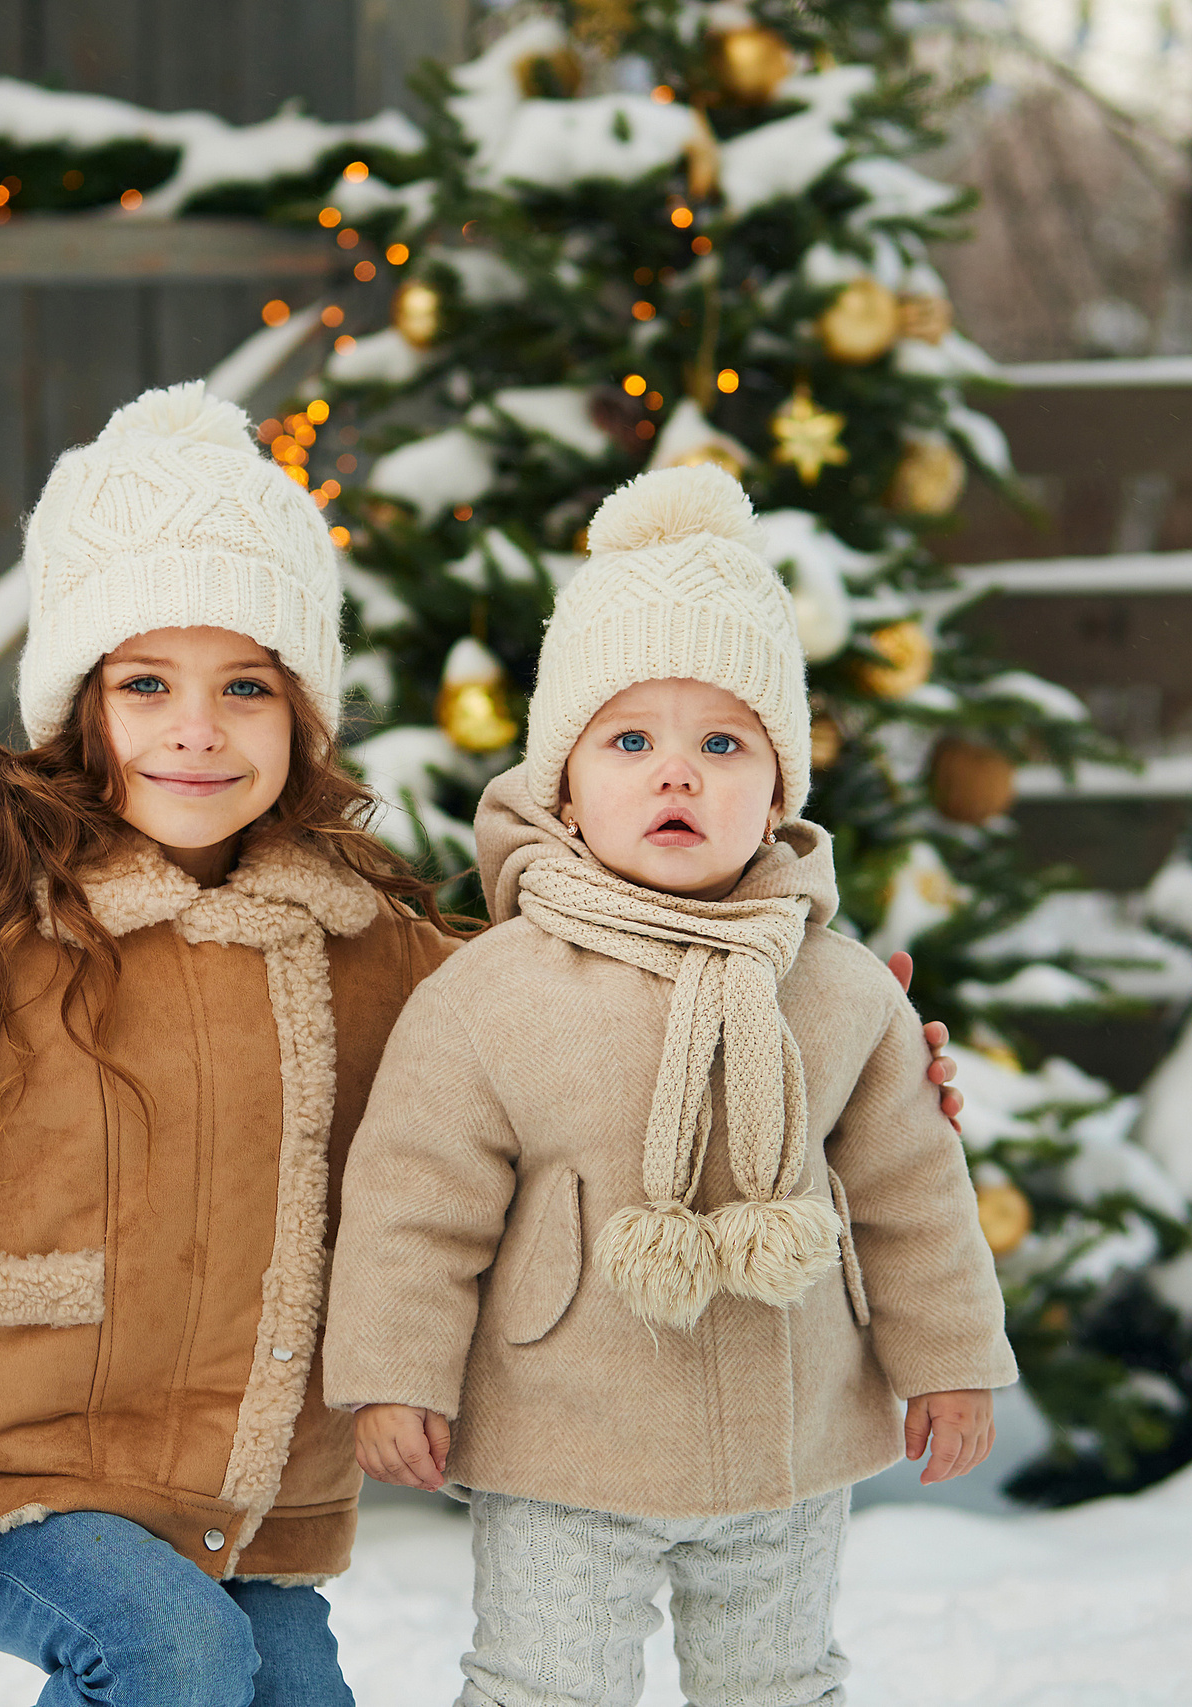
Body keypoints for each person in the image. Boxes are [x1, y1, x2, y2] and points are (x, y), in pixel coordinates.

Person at [0, 389, 973, 1704]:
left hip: (249, 1497)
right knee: (172, 1653)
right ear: (77, 707)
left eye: (246, 687)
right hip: (12, 1469)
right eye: (145, 683)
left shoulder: (380, 955)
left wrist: (818, 1036)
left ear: (303, 715)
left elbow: (582, 1039)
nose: (197, 728)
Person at [323, 465, 1017, 1707]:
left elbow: (914, 1190)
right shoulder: (495, 991)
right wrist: (396, 1375)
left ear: (780, 784)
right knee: (543, 1684)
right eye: (631, 740)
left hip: (788, 1428)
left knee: (780, 1682)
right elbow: (411, 1201)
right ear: (566, 782)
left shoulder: (841, 986)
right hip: (563, 1432)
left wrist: (951, 1357)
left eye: (723, 743)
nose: (677, 774)